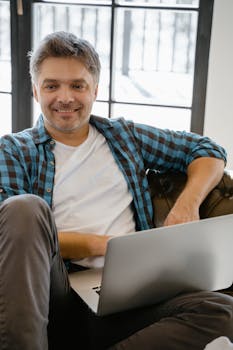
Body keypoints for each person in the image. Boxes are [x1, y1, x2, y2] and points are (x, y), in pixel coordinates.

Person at [0, 31, 232, 350]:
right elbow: (14, 234)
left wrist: (186, 206)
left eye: (77, 85)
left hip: (133, 294)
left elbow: (208, 150)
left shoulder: (124, 136)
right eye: (52, 85)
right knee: (24, 208)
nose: (65, 97)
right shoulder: (15, 151)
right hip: (57, 295)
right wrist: (107, 245)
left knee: (221, 311)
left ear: (95, 89)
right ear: (36, 91)